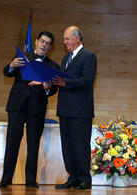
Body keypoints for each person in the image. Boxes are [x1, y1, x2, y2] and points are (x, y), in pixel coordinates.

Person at [0, 31, 59, 189]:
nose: (44, 45)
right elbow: (6, 72)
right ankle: (6, 179)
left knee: (33, 144)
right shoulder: (22, 57)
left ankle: (31, 180)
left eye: (47, 43)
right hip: (17, 106)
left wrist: (47, 88)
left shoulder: (53, 66)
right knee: (12, 143)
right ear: (36, 42)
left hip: (37, 108)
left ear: (50, 47)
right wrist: (11, 66)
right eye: (42, 41)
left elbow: (53, 91)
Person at [52, 26, 97, 190]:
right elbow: (61, 81)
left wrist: (66, 83)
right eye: (64, 39)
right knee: (67, 145)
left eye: (67, 39)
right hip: (64, 109)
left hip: (80, 110)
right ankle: (73, 177)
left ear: (77, 38)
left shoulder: (89, 56)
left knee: (80, 145)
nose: (64, 42)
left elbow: (87, 80)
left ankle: (84, 179)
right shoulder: (65, 58)